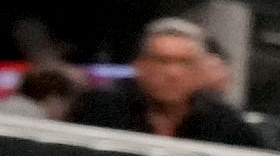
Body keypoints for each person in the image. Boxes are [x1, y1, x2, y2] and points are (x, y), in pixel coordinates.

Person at [68, 17, 262, 147]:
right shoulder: (100, 107)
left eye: (185, 62)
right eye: (161, 60)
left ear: (200, 70)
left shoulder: (224, 122)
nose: (172, 72)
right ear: (140, 65)